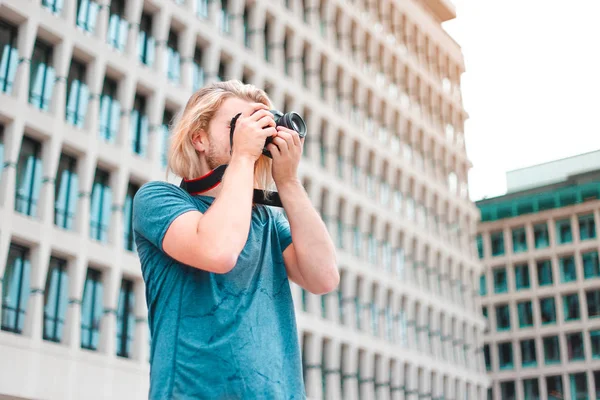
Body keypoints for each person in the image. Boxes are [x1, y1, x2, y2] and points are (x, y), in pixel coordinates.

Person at [132, 80, 339, 399]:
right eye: (241, 124)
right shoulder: (159, 199)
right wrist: (242, 156)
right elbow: (217, 250)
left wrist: (288, 181)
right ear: (199, 138)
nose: (254, 133)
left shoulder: (266, 220)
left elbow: (323, 277)